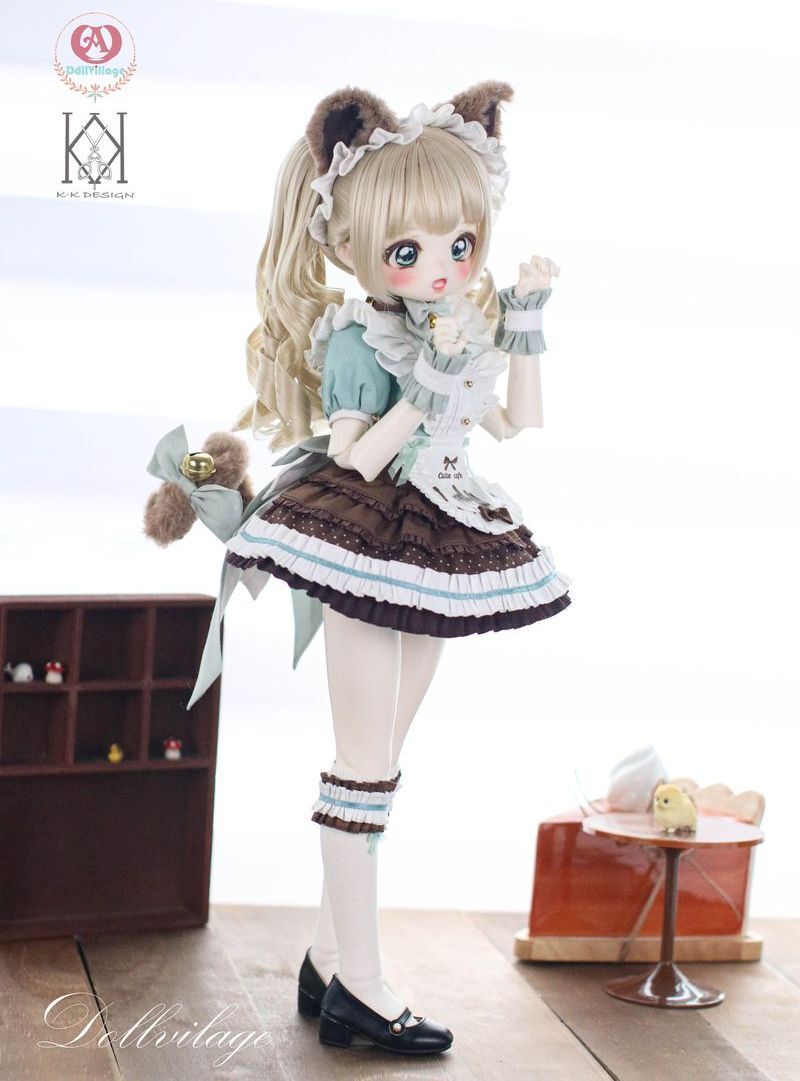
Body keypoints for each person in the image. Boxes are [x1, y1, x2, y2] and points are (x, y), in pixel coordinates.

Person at [187, 81, 571, 1054]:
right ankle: (362, 982)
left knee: (383, 759)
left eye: (460, 244)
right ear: (350, 245)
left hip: (439, 538)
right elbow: (355, 456)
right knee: (360, 763)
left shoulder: (453, 323)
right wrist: (426, 386)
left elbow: (514, 421)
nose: (440, 267)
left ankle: (328, 959)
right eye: (409, 251)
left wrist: (521, 324)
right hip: (365, 534)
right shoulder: (359, 338)